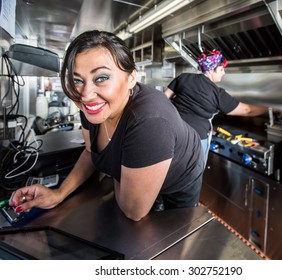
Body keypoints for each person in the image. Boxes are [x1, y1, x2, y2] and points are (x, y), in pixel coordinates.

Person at [9, 30, 204, 222]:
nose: (86, 94)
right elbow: (90, 152)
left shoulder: (150, 121)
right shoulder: (92, 107)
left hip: (180, 178)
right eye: (77, 80)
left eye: (101, 78)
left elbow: (133, 211)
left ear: (131, 78)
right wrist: (58, 194)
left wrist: (117, 176)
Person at [164, 49, 271, 168]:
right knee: (192, 176)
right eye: (221, 69)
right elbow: (247, 110)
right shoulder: (217, 93)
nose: (224, 73)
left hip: (173, 133)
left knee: (171, 170)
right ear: (211, 70)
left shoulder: (183, 78)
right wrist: (270, 109)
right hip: (196, 140)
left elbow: (164, 99)